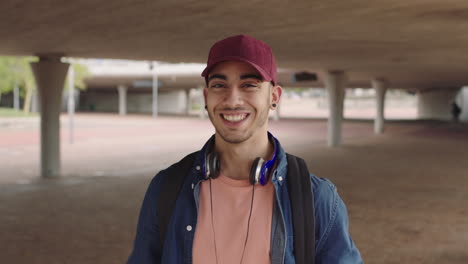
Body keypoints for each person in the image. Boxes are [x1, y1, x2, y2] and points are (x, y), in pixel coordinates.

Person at [127, 35, 363, 264]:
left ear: (274, 96)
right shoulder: (167, 188)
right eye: (220, 85)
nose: (232, 100)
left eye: (249, 85)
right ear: (207, 96)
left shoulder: (317, 199)